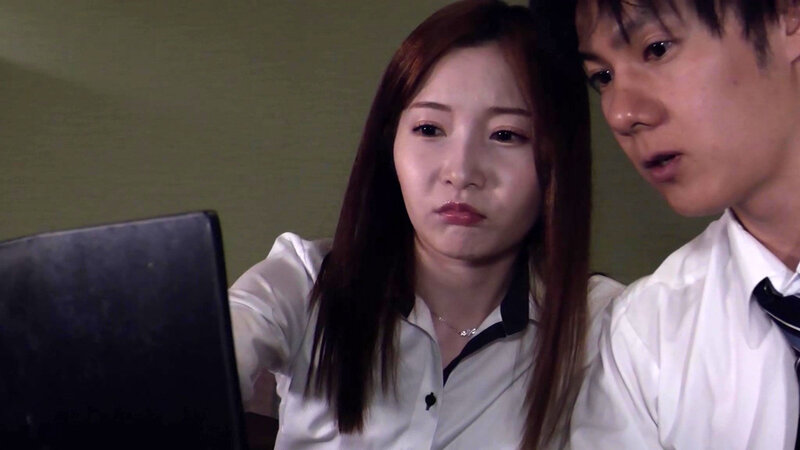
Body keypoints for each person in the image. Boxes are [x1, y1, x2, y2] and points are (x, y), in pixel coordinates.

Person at [229, 0, 622, 448]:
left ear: (558, 159)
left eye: (506, 135)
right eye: (430, 129)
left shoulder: (603, 325)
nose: (461, 171)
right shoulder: (308, 279)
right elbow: (200, 356)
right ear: (389, 143)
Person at [530, 0, 800, 447]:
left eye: (656, 49)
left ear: (787, 17)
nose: (621, 114)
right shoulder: (646, 335)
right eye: (603, 77)